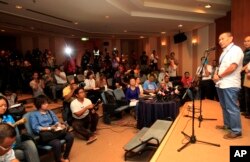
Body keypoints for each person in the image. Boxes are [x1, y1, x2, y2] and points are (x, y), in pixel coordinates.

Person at [213, 32, 243, 139]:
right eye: (219, 39)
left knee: (232, 107)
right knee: (224, 106)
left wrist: (219, 76)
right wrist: (216, 75)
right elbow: (221, 66)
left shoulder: (236, 50)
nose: (220, 41)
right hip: (221, 84)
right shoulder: (224, 52)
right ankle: (228, 125)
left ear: (231, 38)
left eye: (222, 39)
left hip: (230, 84)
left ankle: (236, 131)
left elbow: (233, 67)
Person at [30, 95, 74, 162]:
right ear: (39, 104)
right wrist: (49, 128)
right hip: (46, 134)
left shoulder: (49, 111)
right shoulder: (34, 115)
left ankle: (65, 156)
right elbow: (36, 128)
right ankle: (59, 160)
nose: (47, 104)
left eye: (47, 102)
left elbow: (55, 121)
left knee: (70, 136)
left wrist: (59, 125)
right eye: (44, 103)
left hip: (55, 131)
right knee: (57, 143)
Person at [0, 96, 40, 162]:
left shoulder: (9, 116)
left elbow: (15, 133)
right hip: (6, 146)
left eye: (5, 105)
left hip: (15, 142)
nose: (4, 108)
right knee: (20, 154)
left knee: (29, 143)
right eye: (1, 106)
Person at [240, 36, 250, 117]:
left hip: (248, 73)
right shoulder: (244, 51)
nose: (246, 42)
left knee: (248, 93)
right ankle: (244, 109)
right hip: (243, 74)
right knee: (243, 92)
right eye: (245, 41)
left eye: (248, 41)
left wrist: (243, 68)